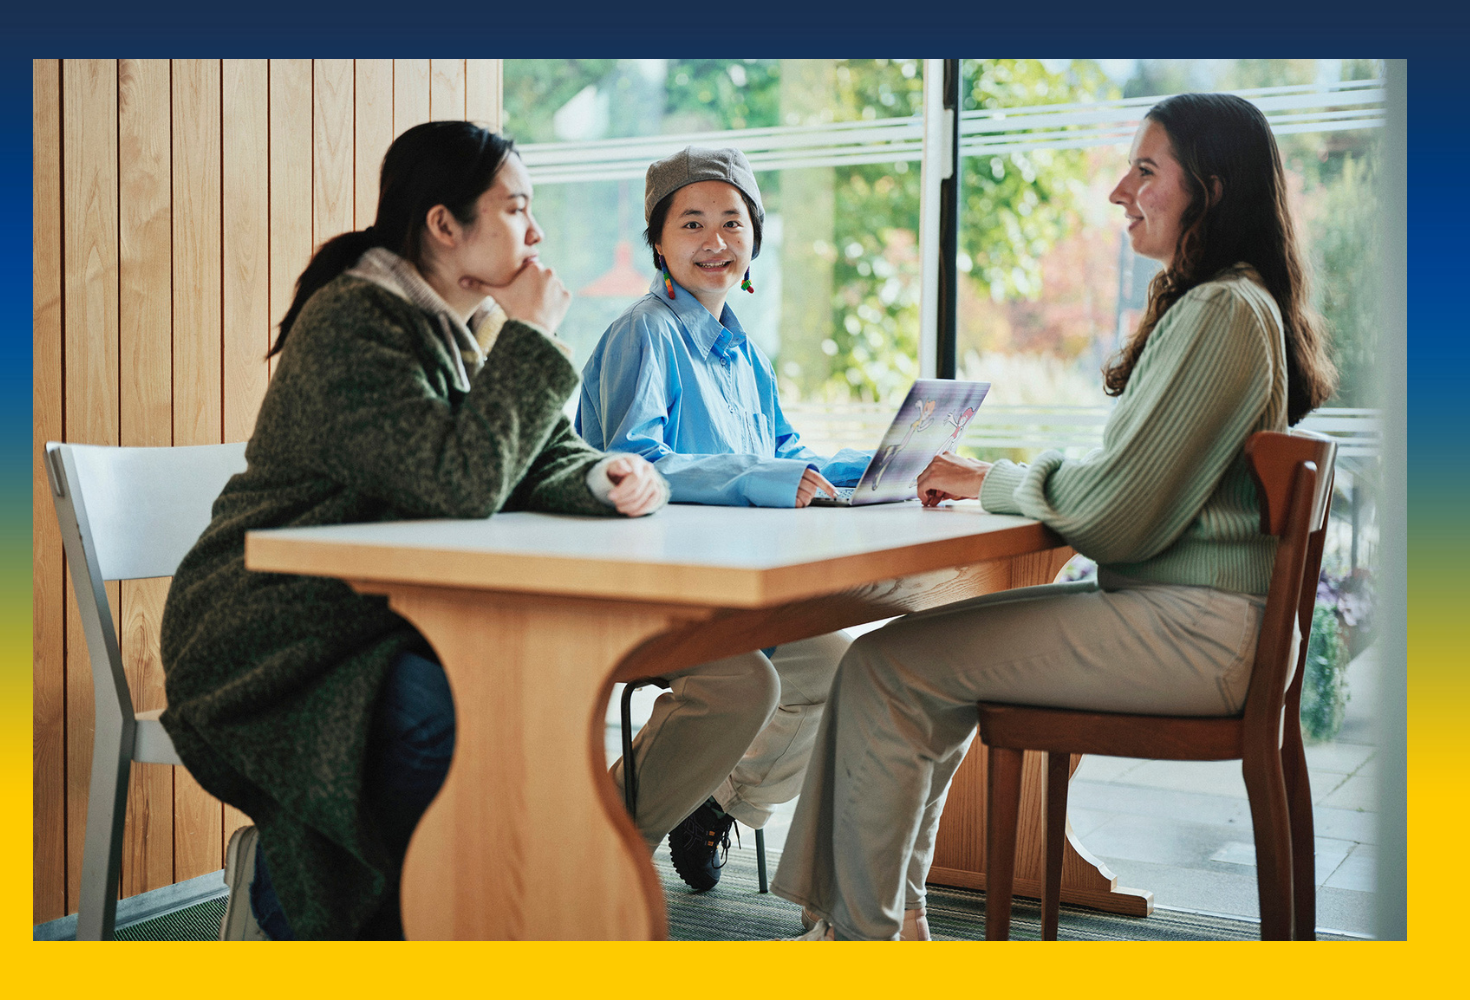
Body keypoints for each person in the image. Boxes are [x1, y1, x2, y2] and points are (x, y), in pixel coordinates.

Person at [771, 92, 1337, 940]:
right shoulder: (1238, 305)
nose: (1119, 191)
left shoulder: (1222, 311)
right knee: (902, 663)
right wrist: (1002, 480)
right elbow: (1131, 484)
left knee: (887, 670)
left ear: (1211, 189)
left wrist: (991, 479)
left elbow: (1115, 516)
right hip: (1202, 621)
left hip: (1195, 632)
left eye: (1145, 170)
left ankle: (858, 941)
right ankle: (893, 920)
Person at [159, 121, 667, 940]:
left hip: (368, 625)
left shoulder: (462, 330)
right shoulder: (353, 321)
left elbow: (532, 457)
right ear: (443, 224)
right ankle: (314, 892)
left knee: (518, 711)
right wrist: (533, 337)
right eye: (516, 209)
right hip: (270, 642)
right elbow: (459, 483)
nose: (536, 233)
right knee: (463, 726)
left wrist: (608, 478)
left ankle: (432, 911)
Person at [576, 146, 871, 891]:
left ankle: (711, 804)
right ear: (658, 241)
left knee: (839, 668)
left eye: (733, 223)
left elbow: (788, 455)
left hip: (732, 595)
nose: (716, 241)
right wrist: (769, 479)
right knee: (746, 685)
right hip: (649, 592)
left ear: (754, 238)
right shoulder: (643, 333)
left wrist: (884, 466)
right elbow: (636, 465)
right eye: (692, 223)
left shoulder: (745, 354)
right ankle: (594, 856)